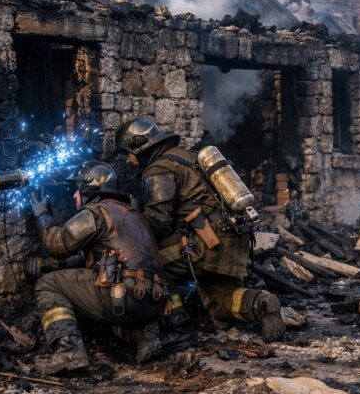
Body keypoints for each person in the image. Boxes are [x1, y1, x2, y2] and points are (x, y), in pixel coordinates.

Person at [113, 117, 284, 341]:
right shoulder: (190, 157)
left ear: (139, 147)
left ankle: (175, 315)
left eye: (128, 153)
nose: (129, 160)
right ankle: (261, 303)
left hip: (206, 243)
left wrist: (128, 237)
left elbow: (157, 222)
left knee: (147, 261)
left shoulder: (159, 168)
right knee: (220, 301)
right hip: (234, 242)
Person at [30, 161, 167, 374]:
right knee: (91, 293)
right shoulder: (132, 213)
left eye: (77, 189)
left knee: (48, 285)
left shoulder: (96, 212)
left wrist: (42, 215)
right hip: (153, 302)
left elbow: (57, 244)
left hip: (122, 297)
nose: (74, 195)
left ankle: (68, 353)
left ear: (88, 189)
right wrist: (47, 265)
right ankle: (142, 335)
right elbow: (92, 261)